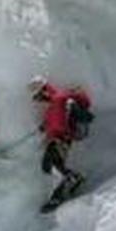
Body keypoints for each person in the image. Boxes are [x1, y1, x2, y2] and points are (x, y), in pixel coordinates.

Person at [28, 78, 93, 210]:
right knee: (51, 164)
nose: (38, 100)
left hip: (61, 138)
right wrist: (44, 126)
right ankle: (71, 179)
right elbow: (55, 120)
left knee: (50, 164)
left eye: (38, 96)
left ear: (43, 91)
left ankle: (64, 187)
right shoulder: (52, 106)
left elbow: (76, 104)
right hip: (57, 138)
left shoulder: (61, 98)